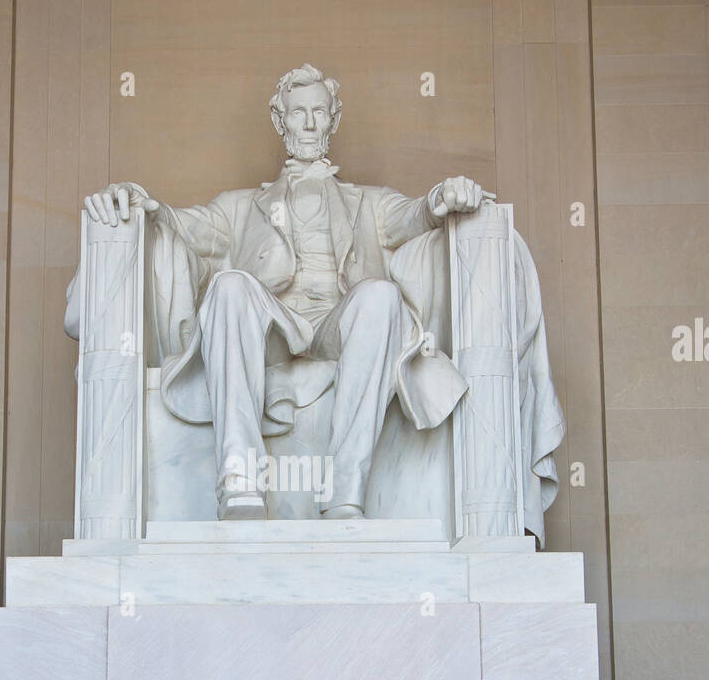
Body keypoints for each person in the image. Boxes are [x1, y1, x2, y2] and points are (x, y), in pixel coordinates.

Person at [69, 63, 564, 535]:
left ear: (334, 119)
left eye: (319, 111)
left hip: (339, 329)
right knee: (229, 285)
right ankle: (239, 481)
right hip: (270, 331)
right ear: (278, 119)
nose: (308, 122)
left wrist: (443, 195)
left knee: (380, 296)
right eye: (298, 111)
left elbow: (417, 214)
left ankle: (345, 492)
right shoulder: (240, 208)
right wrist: (135, 197)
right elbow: (177, 222)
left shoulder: (368, 203)